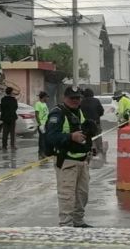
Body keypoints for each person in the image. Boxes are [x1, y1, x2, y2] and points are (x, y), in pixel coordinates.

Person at [45, 86, 93, 228]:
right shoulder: (57, 114)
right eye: (72, 98)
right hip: (66, 161)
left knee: (82, 195)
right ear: (64, 98)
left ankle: (78, 222)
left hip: (82, 161)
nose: (75, 101)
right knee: (67, 196)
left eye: (78, 98)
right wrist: (71, 136)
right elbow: (50, 137)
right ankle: (65, 225)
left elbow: (84, 133)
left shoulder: (79, 112)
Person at [79, 89, 105, 154]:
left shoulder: (81, 102)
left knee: (87, 137)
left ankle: (90, 149)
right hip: (96, 122)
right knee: (98, 136)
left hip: (85, 124)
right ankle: (100, 150)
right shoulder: (96, 101)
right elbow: (101, 111)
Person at [35, 91, 50, 158]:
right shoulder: (38, 104)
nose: (47, 99)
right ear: (43, 97)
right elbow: (36, 115)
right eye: (47, 97)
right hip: (42, 124)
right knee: (42, 140)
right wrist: (40, 124)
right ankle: (41, 153)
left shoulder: (45, 104)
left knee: (45, 139)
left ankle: (44, 152)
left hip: (46, 123)